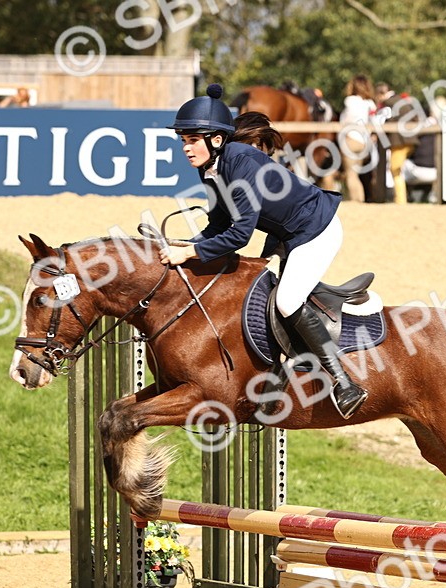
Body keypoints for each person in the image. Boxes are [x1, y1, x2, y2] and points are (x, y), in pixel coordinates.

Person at [160, 84, 368, 419]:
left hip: (317, 229)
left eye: (193, 139)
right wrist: (187, 244)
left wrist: (190, 254)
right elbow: (218, 224)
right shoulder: (210, 168)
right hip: (288, 235)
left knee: (287, 301)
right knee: (263, 298)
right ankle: (279, 376)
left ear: (216, 140)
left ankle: (345, 383)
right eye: (183, 140)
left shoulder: (241, 164)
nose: (186, 147)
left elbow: (240, 235)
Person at [338, 75, 375, 203]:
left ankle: (355, 202)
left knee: (350, 174)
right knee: (356, 175)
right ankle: (360, 201)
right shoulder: (370, 104)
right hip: (364, 142)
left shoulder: (350, 101)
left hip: (351, 139)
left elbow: (346, 120)